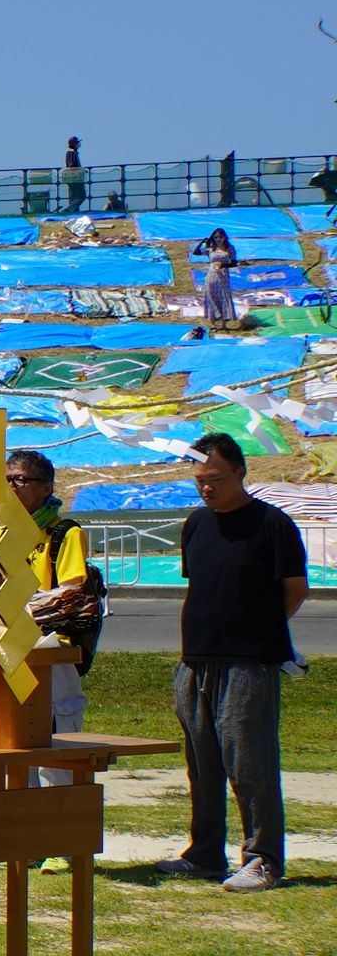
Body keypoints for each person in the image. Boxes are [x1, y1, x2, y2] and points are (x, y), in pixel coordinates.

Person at [160, 434, 308, 894]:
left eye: (217, 479)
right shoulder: (195, 524)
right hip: (195, 658)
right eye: (200, 480)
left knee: (250, 763)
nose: (207, 488)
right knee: (202, 764)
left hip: (250, 661)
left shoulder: (272, 524)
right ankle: (204, 853)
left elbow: (295, 589)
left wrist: (260, 629)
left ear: (241, 473)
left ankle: (262, 859)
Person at [7, 450, 98, 781]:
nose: (11, 487)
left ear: (45, 488)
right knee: (16, 742)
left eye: (19, 479)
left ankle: (59, 817)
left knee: (58, 742)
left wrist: (23, 607)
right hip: (10, 650)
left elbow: (71, 590)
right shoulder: (2, 534)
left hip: (52, 649)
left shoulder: (64, 533)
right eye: (6, 480)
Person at [198, 227, 240, 325]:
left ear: (224, 237)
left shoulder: (229, 249)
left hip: (223, 275)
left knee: (223, 296)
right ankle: (212, 321)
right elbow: (196, 252)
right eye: (216, 237)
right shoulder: (211, 249)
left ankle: (223, 322)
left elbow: (234, 263)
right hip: (211, 274)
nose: (218, 239)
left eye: (220, 237)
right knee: (210, 294)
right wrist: (202, 242)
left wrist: (223, 265)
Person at [62, 135, 86, 213]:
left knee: (74, 196)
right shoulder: (71, 153)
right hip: (74, 178)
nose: (78, 144)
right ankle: (69, 210)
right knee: (81, 196)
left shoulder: (74, 153)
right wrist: (79, 170)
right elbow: (71, 165)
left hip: (74, 178)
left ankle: (74, 211)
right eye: (77, 142)